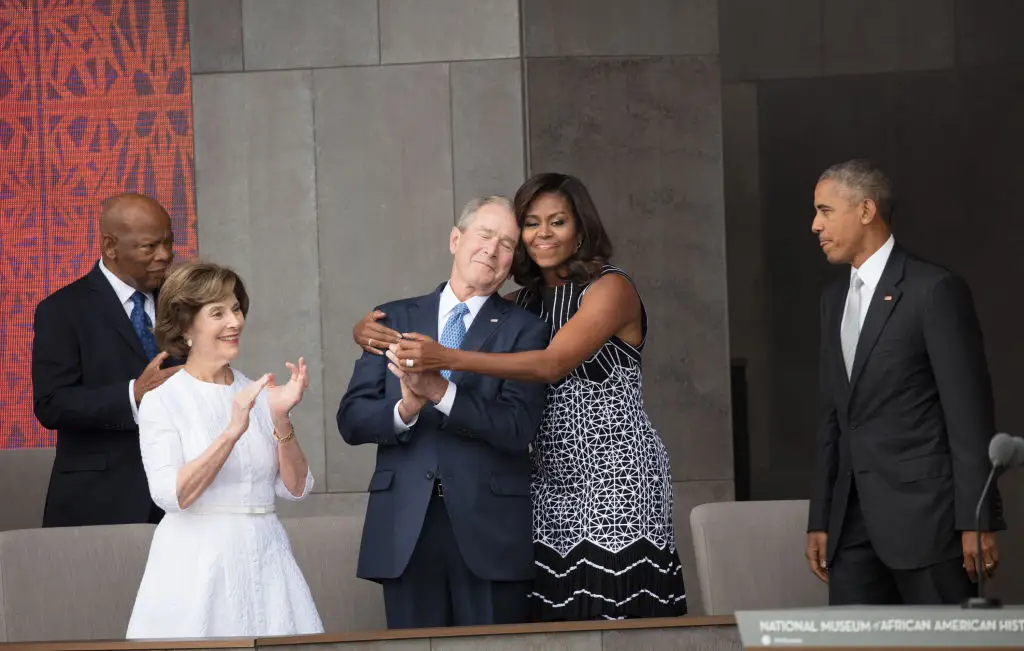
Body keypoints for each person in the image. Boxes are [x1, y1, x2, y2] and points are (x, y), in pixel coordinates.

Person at [355, 173, 687, 621]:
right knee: (554, 618)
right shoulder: (523, 302)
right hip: (546, 481)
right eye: (531, 224)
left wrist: (446, 358)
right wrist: (365, 333)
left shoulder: (611, 287)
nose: (544, 234)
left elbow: (550, 363)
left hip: (615, 475)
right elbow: (472, 307)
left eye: (558, 221)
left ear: (581, 229)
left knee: (612, 613)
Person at [338, 196, 549, 629]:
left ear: (512, 262)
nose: (492, 250)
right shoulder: (392, 317)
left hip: (490, 528)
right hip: (404, 527)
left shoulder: (526, 329)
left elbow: (517, 427)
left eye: (507, 244)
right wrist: (407, 406)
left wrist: (440, 391)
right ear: (456, 239)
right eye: (484, 235)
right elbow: (352, 419)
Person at [807, 159, 1004, 605]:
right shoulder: (832, 299)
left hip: (927, 523)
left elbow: (969, 413)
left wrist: (976, 518)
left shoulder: (934, 290)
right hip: (850, 528)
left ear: (865, 210)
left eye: (824, 211)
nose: (815, 225)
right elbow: (832, 417)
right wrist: (820, 516)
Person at [126, 262, 322, 638]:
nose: (234, 321)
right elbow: (172, 494)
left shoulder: (259, 393)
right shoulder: (164, 400)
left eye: (236, 308)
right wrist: (231, 432)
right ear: (185, 327)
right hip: (195, 563)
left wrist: (280, 418)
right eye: (217, 313)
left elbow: (297, 489)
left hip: (267, 556)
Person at [33, 193, 181, 527]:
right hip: (97, 502)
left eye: (169, 243)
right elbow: (51, 403)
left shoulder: (182, 303)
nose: (165, 256)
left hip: (180, 500)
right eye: (150, 247)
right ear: (110, 246)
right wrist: (132, 394)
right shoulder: (62, 311)